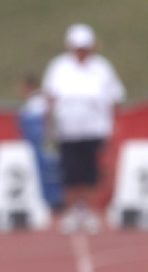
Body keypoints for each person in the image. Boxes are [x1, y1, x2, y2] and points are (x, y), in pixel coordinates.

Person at [42, 23, 125, 233]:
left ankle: (89, 211)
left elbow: (115, 98)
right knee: (70, 172)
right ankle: (71, 212)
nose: (81, 52)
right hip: (67, 130)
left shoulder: (102, 68)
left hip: (95, 129)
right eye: (78, 47)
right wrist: (49, 126)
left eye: (85, 48)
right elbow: (50, 98)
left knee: (91, 172)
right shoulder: (59, 67)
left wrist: (115, 126)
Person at [18, 72, 62, 210]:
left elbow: (41, 124)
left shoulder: (35, 104)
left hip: (42, 144)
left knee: (46, 173)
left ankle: (51, 201)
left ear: (28, 87)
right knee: (52, 172)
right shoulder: (38, 102)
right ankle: (54, 200)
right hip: (47, 143)